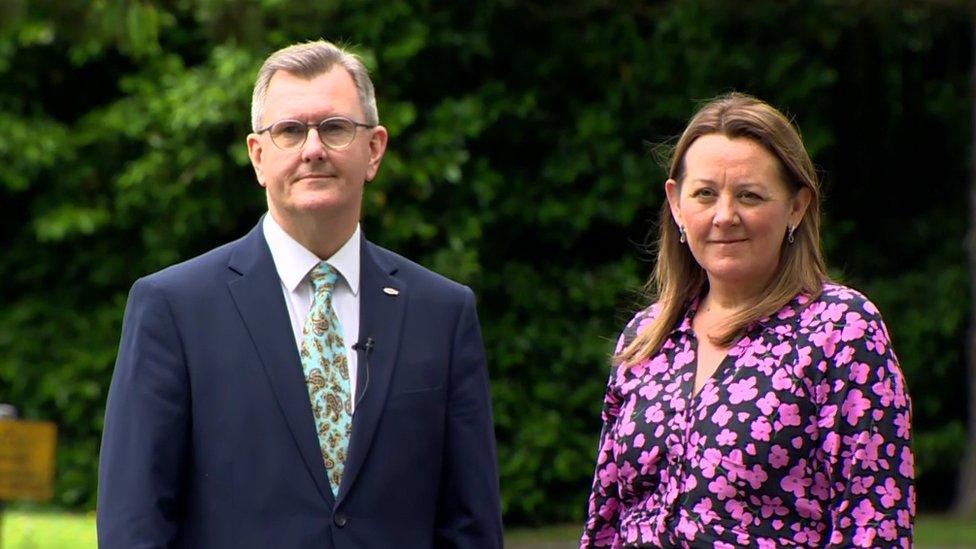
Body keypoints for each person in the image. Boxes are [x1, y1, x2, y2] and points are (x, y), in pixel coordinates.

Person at [98, 40, 503, 548]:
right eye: (290, 130)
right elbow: (133, 526)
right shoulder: (174, 308)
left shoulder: (442, 313)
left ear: (374, 149)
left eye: (334, 128)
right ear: (258, 155)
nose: (313, 148)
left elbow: (471, 527)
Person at [580, 93, 914, 547]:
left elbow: (875, 524)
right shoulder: (646, 337)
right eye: (704, 194)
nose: (724, 216)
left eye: (750, 196)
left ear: (796, 207)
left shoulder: (841, 330)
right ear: (676, 205)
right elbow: (605, 521)